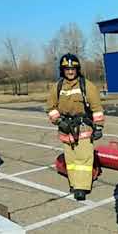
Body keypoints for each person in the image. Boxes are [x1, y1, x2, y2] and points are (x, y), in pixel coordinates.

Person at [46, 53, 105, 201]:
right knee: (71, 159)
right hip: (65, 128)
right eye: (67, 69)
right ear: (62, 70)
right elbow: (50, 108)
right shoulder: (57, 87)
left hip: (83, 127)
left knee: (84, 158)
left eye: (73, 69)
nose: (70, 72)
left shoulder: (87, 86)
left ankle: (82, 187)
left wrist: (98, 127)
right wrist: (59, 122)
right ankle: (73, 183)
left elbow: (96, 107)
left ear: (78, 69)